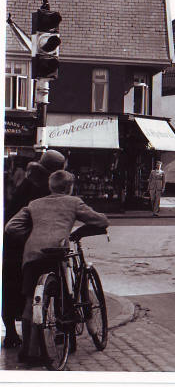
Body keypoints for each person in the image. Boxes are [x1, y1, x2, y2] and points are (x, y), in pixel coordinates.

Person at [5, 169, 109, 363]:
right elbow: (101, 220)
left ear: (50, 186)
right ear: (69, 188)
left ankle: (28, 351)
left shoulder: (34, 204)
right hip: (57, 253)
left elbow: (11, 227)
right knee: (63, 295)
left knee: (31, 300)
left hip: (33, 254)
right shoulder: (73, 202)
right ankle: (64, 334)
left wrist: (29, 237)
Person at [2, 150, 66, 349]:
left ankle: (12, 333)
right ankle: (42, 336)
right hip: (32, 244)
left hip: (12, 243)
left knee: (11, 288)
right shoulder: (48, 188)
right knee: (39, 288)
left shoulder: (27, 183)